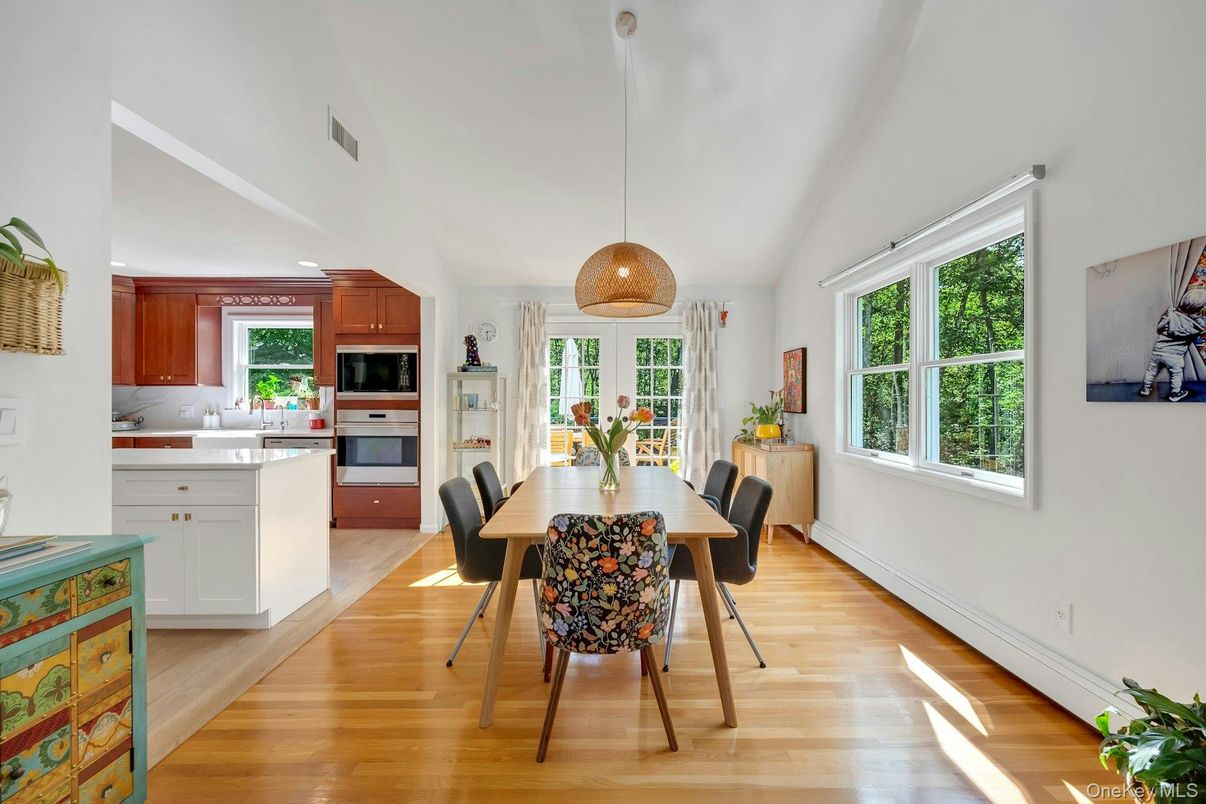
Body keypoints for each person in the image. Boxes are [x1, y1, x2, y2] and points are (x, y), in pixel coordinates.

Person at [1139, 288, 1206, 402]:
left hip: (1158, 351)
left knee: (1152, 371)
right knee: (1176, 375)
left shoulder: (1171, 315)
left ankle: (1145, 389)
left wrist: (1166, 317)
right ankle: (1175, 394)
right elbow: (1193, 336)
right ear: (1200, 308)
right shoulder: (1198, 325)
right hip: (1175, 356)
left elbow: (1159, 329)